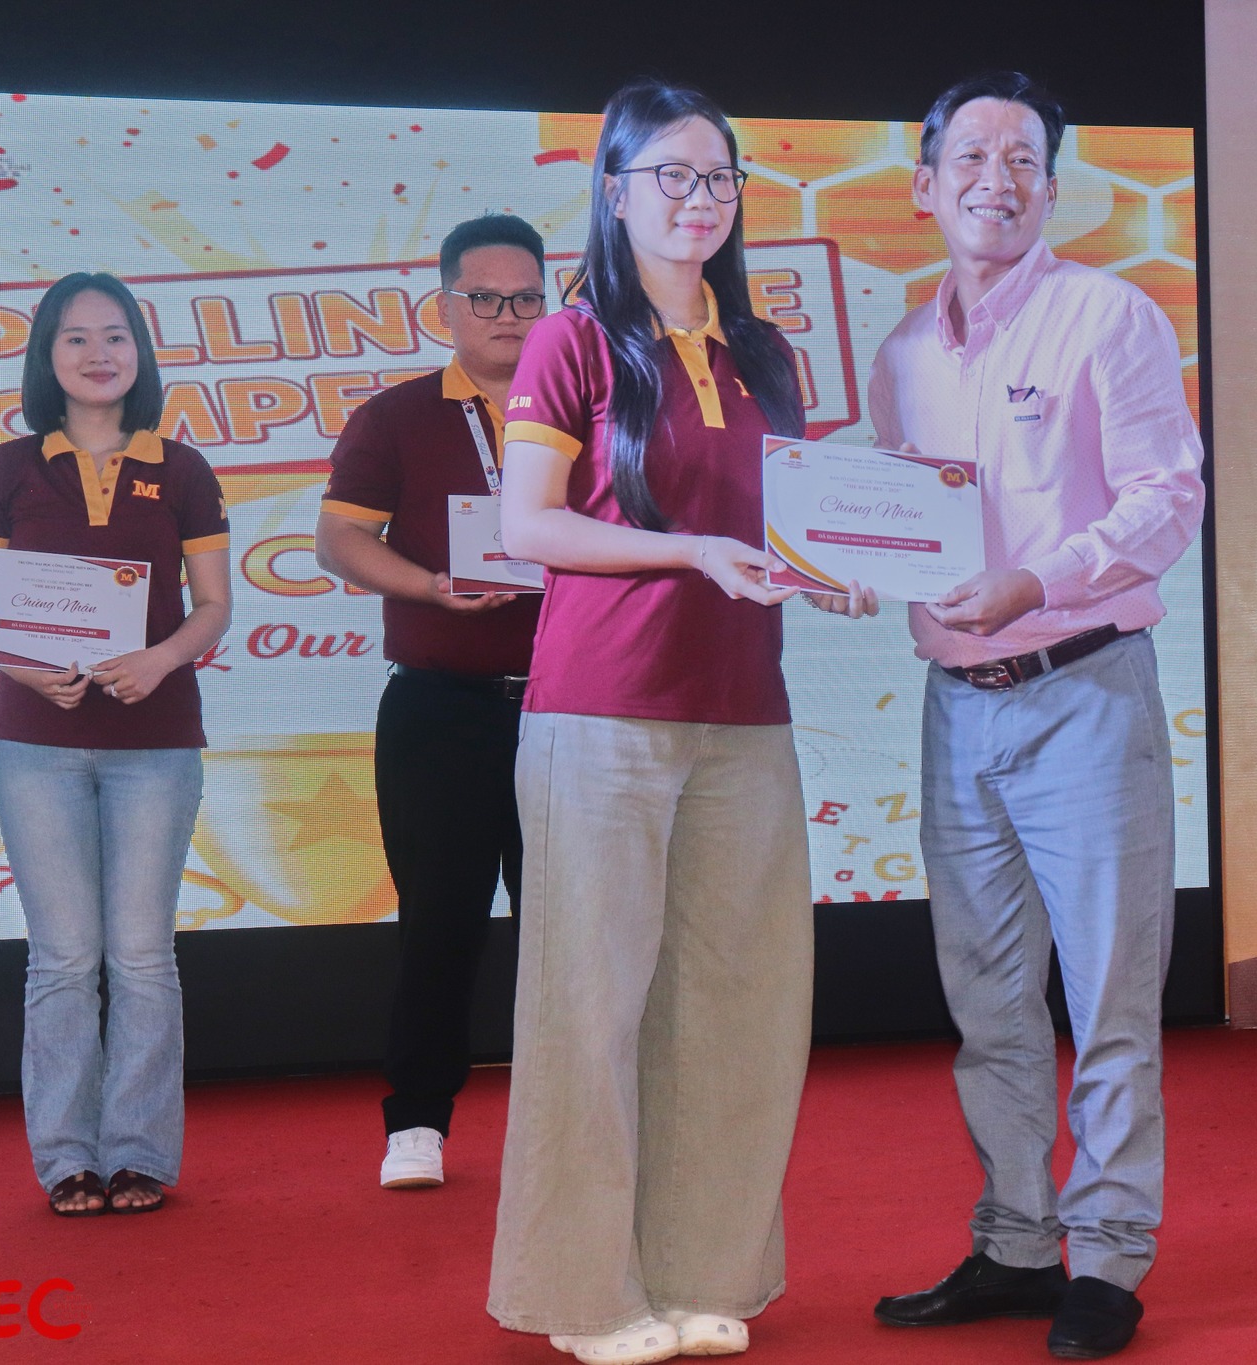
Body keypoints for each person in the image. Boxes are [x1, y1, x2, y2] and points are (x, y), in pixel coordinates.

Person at [826, 72, 1206, 1360]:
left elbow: (1168, 496)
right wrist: (835, 566)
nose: (996, 179)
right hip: (956, 710)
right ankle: (1015, 1242)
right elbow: (899, 523)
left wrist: (1036, 583)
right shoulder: (899, 352)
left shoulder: (1108, 314)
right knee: (987, 1003)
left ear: (1050, 186)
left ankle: (1105, 1258)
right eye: (971, 158)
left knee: (1108, 998)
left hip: (1082, 691)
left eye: (1022, 160)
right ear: (921, 186)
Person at [485, 81, 812, 1365]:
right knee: (591, 1006)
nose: (699, 199)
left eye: (718, 176)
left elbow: (791, 516)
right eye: (671, 174)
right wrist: (689, 552)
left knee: (732, 1001)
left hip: (745, 709)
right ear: (614, 191)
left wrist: (833, 565)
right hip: (601, 707)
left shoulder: (765, 352)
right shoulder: (571, 341)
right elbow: (530, 526)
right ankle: (584, 1295)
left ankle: (697, 1272)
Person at [0, 271, 233, 1217]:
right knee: (64, 957)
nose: (98, 353)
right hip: (37, 741)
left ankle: (140, 1152)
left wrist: (160, 659)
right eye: (75, 337)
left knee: (143, 956)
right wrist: (31, 669)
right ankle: (68, 1156)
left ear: (140, 353)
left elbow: (214, 606)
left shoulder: (182, 468)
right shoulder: (8, 467)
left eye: (115, 335)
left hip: (156, 740)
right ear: (48, 356)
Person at [315, 214, 548, 1190]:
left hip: (569, 708)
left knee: (570, 926)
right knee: (439, 920)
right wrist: (428, 588)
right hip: (439, 710)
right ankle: (417, 1119)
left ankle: (568, 1117)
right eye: (484, 297)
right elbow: (338, 541)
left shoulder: (586, 409)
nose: (507, 314)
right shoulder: (398, 415)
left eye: (526, 297)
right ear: (445, 305)